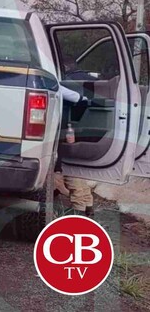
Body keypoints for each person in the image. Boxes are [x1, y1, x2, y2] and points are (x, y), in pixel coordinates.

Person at [55, 84, 94, 217]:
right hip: (68, 131)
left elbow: (81, 99)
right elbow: (81, 100)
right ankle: (87, 204)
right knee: (75, 169)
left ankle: (79, 209)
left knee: (69, 170)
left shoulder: (53, 85)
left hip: (61, 133)